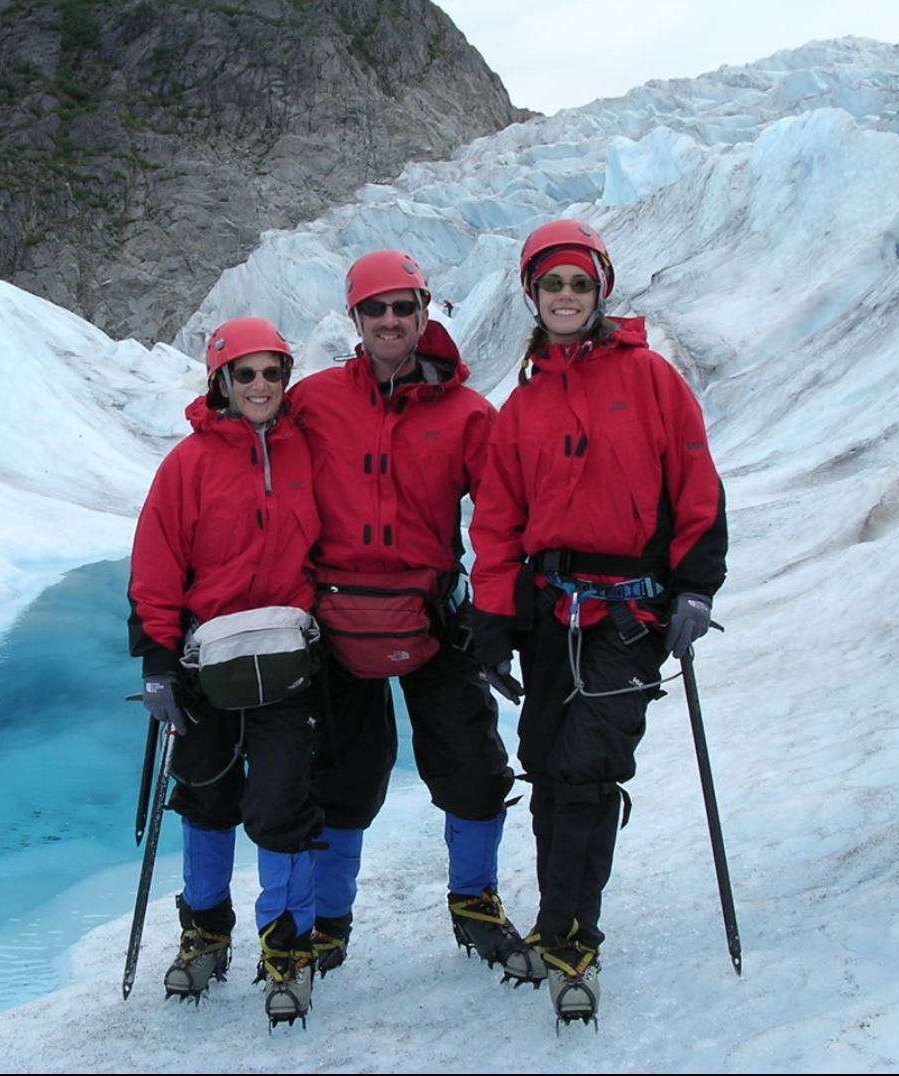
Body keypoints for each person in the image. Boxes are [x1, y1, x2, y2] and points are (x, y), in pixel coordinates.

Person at [469, 219, 728, 1022]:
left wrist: (695, 586)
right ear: (533, 296)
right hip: (551, 613)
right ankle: (563, 917)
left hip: (626, 614)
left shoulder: (651, 380)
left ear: (601, 290)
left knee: (586, 768)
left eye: (580, 284)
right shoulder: (522, 406)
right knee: (547, 765)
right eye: (554, 285)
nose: (568, 297)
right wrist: (494, 619)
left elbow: (695, 484)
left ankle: (572, 941)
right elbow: (500, 522)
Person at [287, 250, 539, 986]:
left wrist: (502, 615)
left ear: (426, 311)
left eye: (404, 307)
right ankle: (328, 924)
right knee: (340, 780)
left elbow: (503, 518)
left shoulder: (467, 414)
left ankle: (475, 903)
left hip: (434, 618)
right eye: (376, 309)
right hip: (332, 624)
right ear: (355, 319)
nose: (391, 321)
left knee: (473, 769)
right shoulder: (313, 400)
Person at [127, 317, 325, 1027]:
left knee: (280, 806)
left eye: (272, 372)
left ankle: (287, 949)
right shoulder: (187, 465)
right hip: (203, 667)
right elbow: (155, 563)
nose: (261, 386)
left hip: (287, 664)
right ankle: (206, 933)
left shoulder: (309, 452)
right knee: (207, 800)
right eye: (246, 374)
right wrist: (156, 657)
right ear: (222, 382)